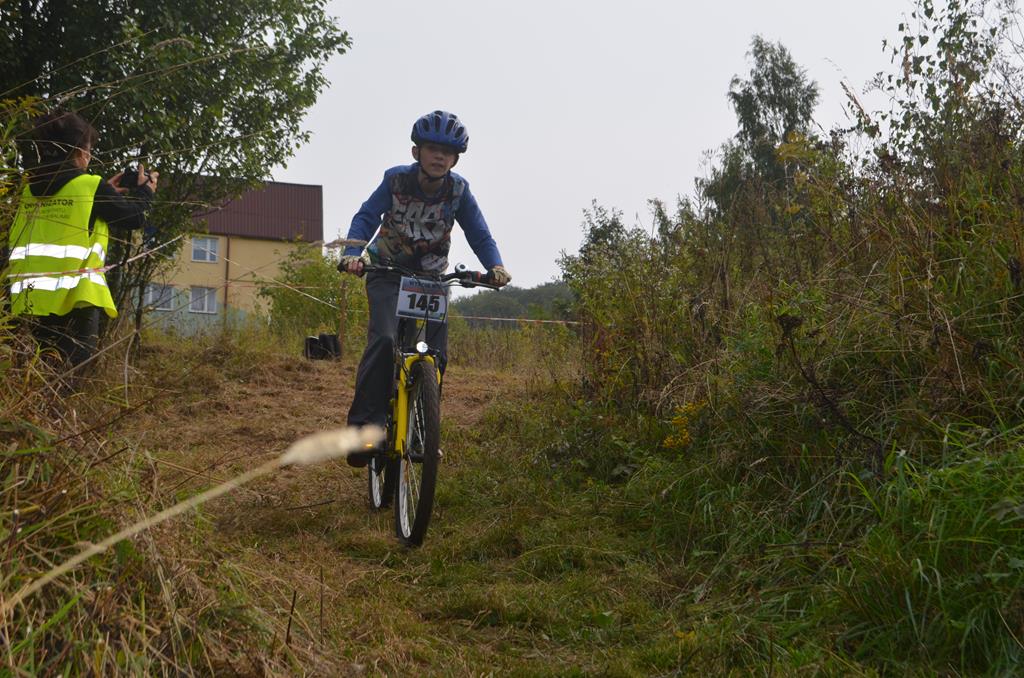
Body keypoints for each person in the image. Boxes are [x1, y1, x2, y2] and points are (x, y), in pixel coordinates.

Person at [338, 110, 510, 466]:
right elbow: (367, 216)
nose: (439, 157)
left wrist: (495, 266)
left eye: (447, 152)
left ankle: (420, 430)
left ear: (455, 159)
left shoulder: (459, 191)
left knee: (435, 355)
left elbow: (479, 232)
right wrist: (353, 253)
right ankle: (364, 429)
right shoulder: (396, 180)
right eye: (433, 149)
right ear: (416, 152)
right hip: (387, 270)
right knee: (384, 340)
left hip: (431, 280)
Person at [6, 109, 158, 371]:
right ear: (78, 152)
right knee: (70, 376)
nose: (89, 156)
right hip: (75, 302)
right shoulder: (90, 186)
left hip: (29, 303)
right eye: (89, 150)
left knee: (33, 374)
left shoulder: (28, 191)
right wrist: (147, 191)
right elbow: (134, 217)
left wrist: (106, 191)